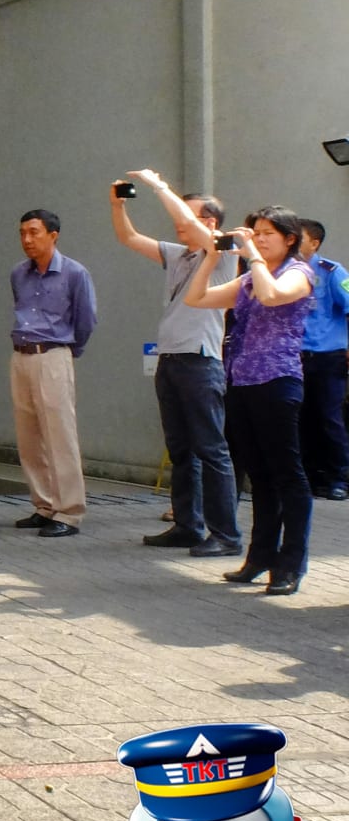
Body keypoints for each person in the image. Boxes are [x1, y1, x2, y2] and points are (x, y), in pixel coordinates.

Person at [109, 172, 241, 555]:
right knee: (180, 448)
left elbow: (186, 222)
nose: (179, 224)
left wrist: (159, 186)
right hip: (171, 360)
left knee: (211, 449)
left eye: (191, 215)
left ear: (210, 222)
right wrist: (118, 205)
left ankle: (226, 535)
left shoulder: (222, 251)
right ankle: (188, 525)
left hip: (200, 361)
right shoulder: (178, 254)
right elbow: (129, 238)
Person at [184, 208, 314, 594]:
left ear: (289, 238)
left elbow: (273, 296)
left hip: (279, 381)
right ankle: (260, 557)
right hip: (241, 381)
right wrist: (212, 257)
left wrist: (251, 256)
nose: (257, 239)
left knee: (287, 474)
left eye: (267, 233)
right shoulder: (247, 279)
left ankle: (290, 565)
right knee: (259, 475)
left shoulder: (298, 273)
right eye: (254, 232)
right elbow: (197, 298)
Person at [10, 209, 97, 537]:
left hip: (54, 355)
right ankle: (44, 505)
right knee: (29, 436)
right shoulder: (18, 273)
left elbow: (86, 319)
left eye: (34, 232)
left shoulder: (75, 273)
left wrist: (67, 352)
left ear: (53, 235)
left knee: (60, 435)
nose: (27, 240)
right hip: (21, 355)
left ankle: (70, 511)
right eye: (22, 233)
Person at [295, 218, 349, 500]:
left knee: (330, 417)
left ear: (314, 243)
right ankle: (310, 476)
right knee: (301, 418)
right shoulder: (285, 273)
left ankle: (339, 478)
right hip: (294, 356)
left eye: (298, 237)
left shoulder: (331, 272)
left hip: (328, 357)